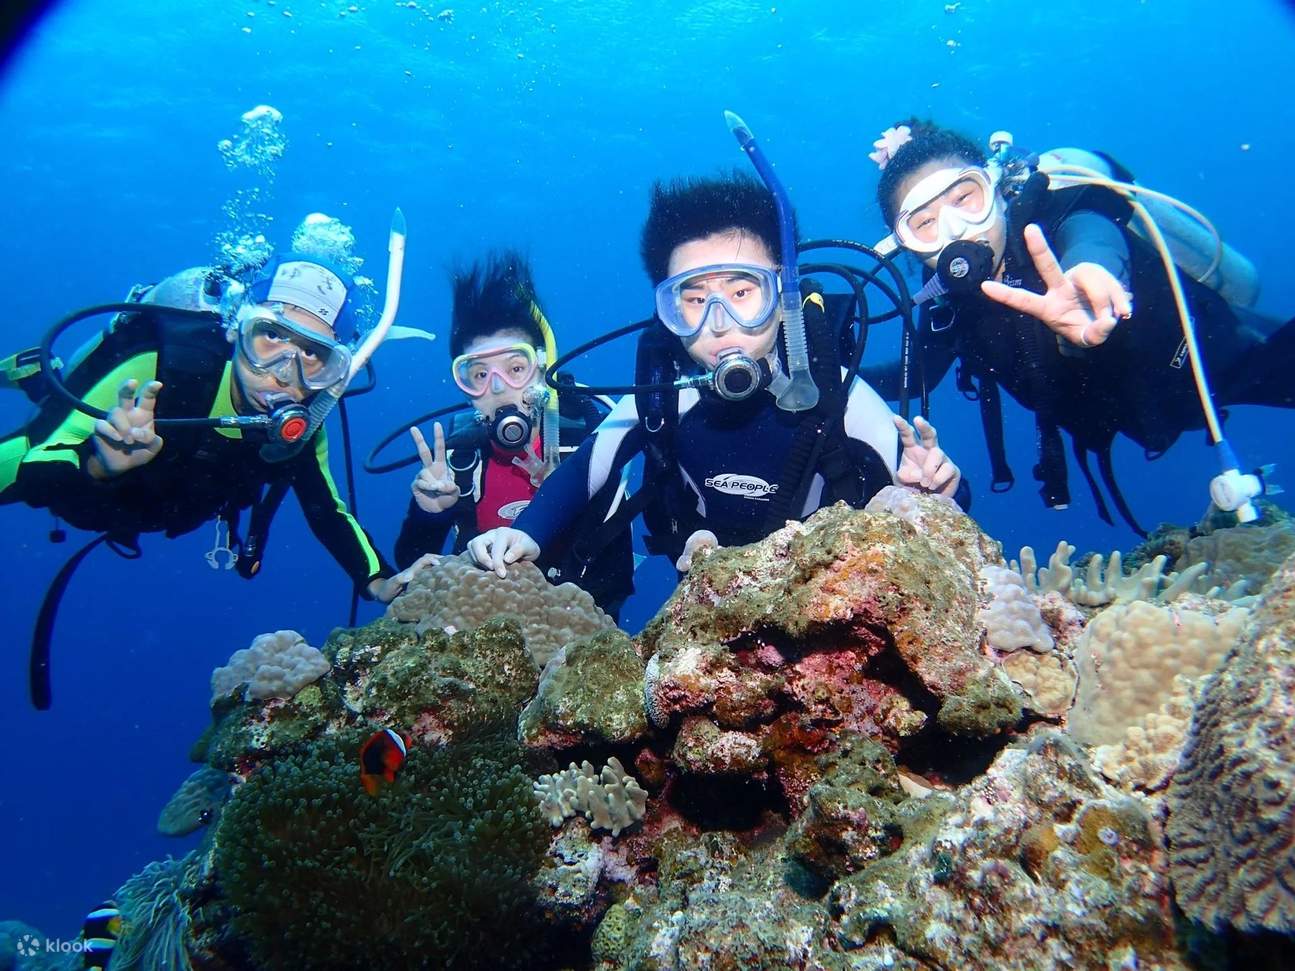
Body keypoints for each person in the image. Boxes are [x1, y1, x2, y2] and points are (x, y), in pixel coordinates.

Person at [465, 173, 966, 579]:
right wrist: (526, 533)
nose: (719, 323)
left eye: (743, 292)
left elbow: (945, 506)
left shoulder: (835, 391)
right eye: (695, 299)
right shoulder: (662, 395)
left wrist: (938, 492)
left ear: (784, 296)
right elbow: (585, 471)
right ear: (669, 312)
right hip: (706, 595)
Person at [1, 251, 429, 668]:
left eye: (313, 354)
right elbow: (36, 460)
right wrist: (98, 463)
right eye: (271, 335)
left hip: (161, 509)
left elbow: (327, 511)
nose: (284, 372)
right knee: (34, 434)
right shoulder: (163, 366)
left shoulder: (301, 429)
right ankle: (40, 375)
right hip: (88, 497)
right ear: (236, 328)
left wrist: (379, 581)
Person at [867, 120, 1294, 533]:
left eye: (965, 197)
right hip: (1147, 414)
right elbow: (914, 376)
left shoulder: (1055, 219)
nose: (954, 230)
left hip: (1221, 359)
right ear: (904, 244)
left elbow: (1091, 232)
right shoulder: (948, 302)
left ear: (996, 188)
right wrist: (833, 367)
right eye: (924, 223)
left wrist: (1092, 272)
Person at [392, 251, 635, 619]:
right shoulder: (460, 461)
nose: (499, 388)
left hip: (581, 622)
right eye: (479, 375)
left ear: (542, 370)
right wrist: (429, 515)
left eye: (515, 368)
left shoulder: (588, 443)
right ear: (466, 389)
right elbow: (410, 565)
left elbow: (616, 574)